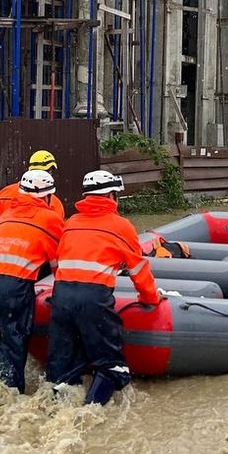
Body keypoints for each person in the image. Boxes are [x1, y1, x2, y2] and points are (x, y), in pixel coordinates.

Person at [45, 169, 160, 405]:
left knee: (62, 364)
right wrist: (151, 299)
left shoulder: (72, 223)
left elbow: (59, 262)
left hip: (62, 296)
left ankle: (57, 410)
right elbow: (138, 269)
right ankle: (91, 413)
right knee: (112, 366)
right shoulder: (121, 226)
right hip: (94, 299)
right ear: (110, 196)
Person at [0, 169, 66, 393]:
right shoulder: (50, 219)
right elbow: (57, 265)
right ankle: (10, 397)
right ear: (47, 196)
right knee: (13, 341)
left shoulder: (7, 214)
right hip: (13, 287)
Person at [0, 149, 64, 231]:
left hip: (3, 241)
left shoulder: (4, 195)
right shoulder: (55, 203)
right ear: (50, 173)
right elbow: (56, 234)